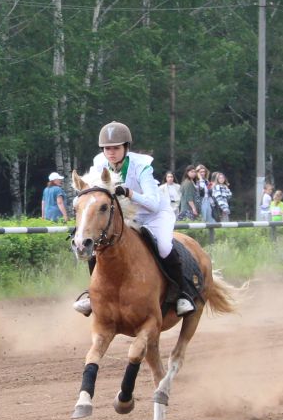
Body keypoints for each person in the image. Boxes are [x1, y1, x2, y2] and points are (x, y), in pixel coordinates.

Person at [73, 121, 198, 317]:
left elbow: (152, 204)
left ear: (126, 147)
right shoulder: (99, 163)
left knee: (164, 246)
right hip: (127, 214)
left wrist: (129, 192)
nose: (111, 152)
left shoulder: (142, 167)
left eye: (116, 148)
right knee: (99, 245)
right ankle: (93, 296)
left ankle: (182, 293)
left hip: (155, 214)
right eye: (107, 148)